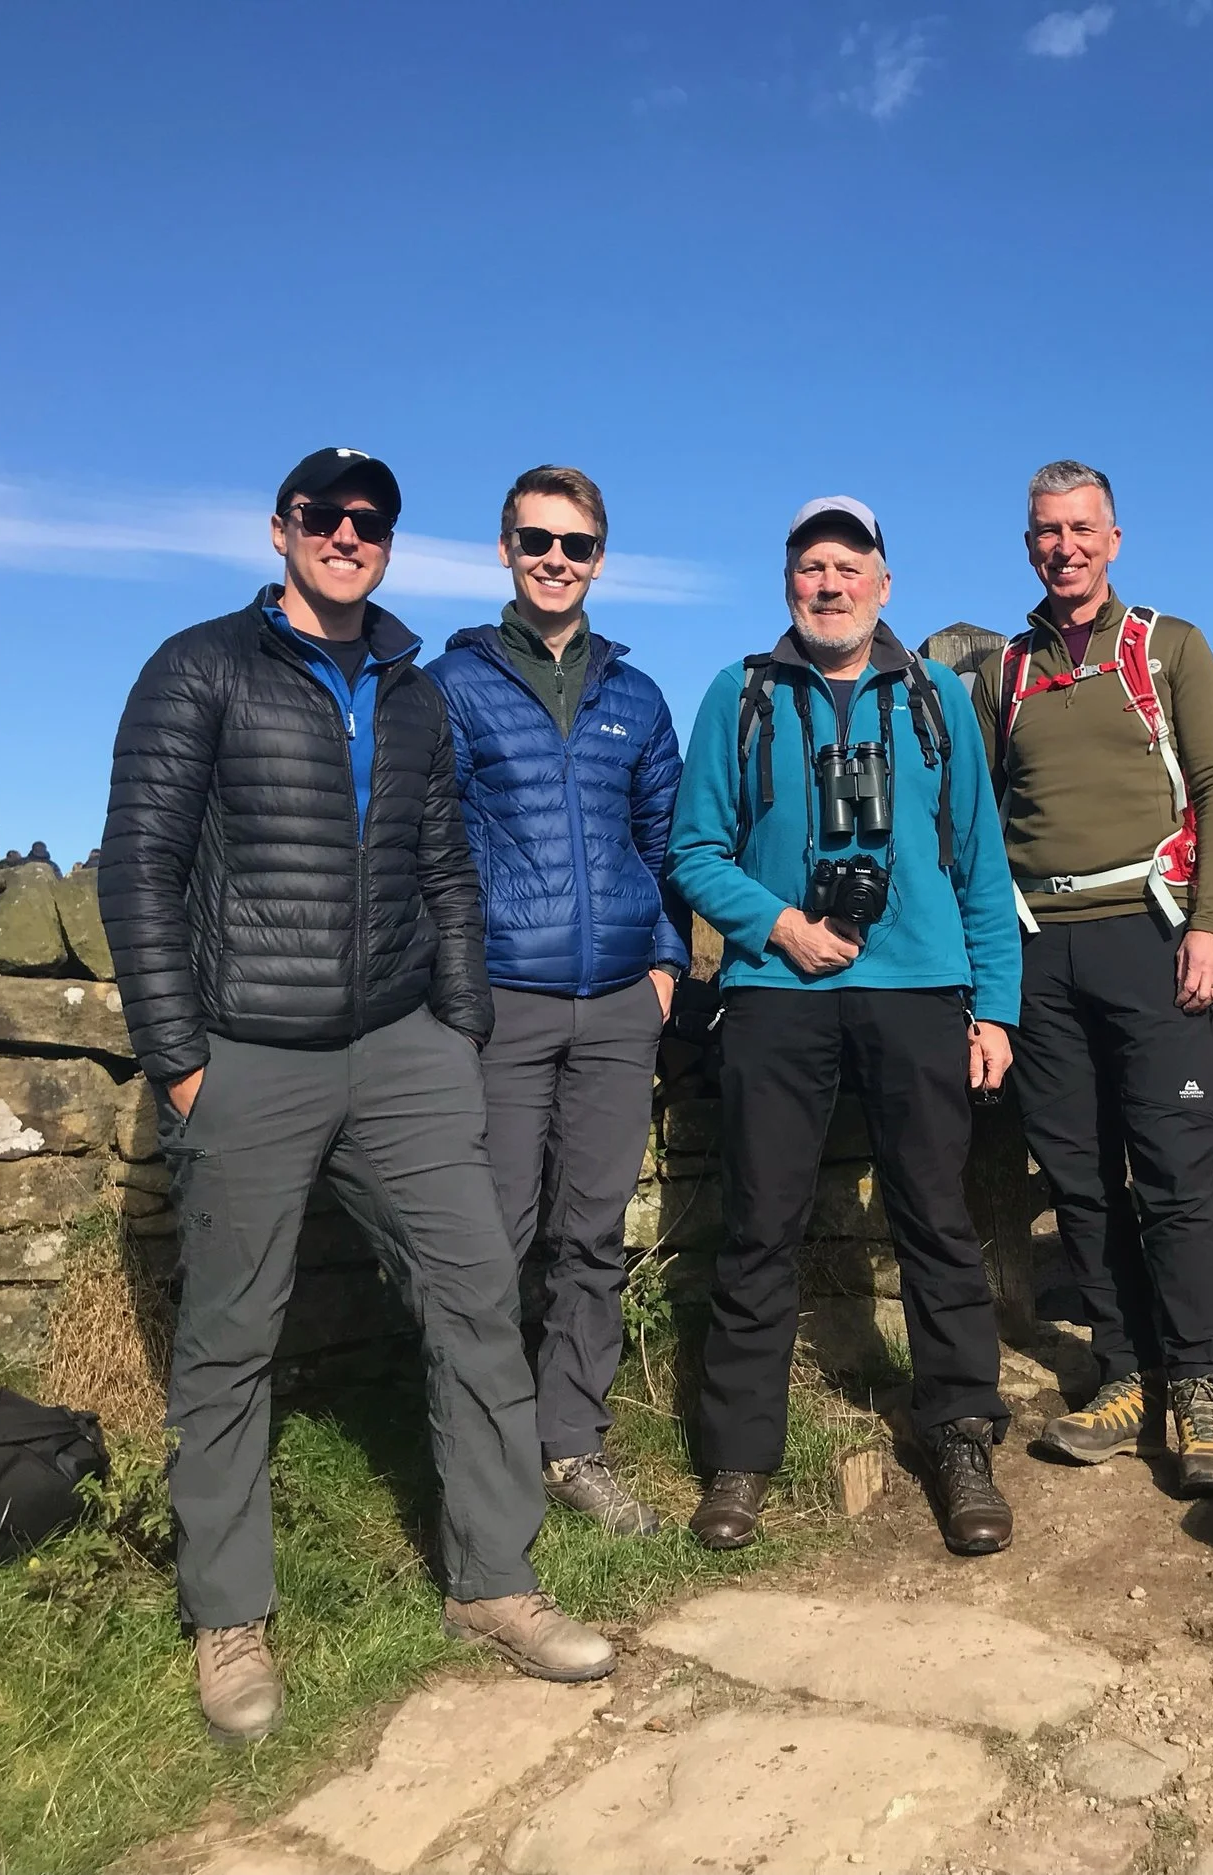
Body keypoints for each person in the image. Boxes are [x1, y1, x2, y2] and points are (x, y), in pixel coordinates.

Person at [101, 447, 613, 1744]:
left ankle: (494, 1580)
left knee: (476, 1293)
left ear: (387, 539)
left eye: (368, 518)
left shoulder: (412, 688)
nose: (346, 533)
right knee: (230, 1339)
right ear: (279, 529)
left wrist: (461, 1026)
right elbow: (140, 875)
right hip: (246, 1050)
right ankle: (230, 1615)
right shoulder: (197, 667)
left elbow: (447, 868)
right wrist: (181, 1057)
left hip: (403, 1048)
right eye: (322, 515)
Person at [666, 496, 1022, 1556]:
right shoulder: (740, 696)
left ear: (883, 585)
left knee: (937, 1224)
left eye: (848, 566)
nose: (829, 584)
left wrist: (994, 1004)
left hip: (918, 989)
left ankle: (959, 1437)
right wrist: (777, 923)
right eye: (810, 566)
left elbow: (980, 862)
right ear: (790, 584)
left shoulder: (934, 701)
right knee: (760, 1226)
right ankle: (741, 1459)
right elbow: (693, 851)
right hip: (779, 992)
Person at [970, 460, 1213, 1495]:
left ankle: (1205, 1383)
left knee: (1175, 1174)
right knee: (1081, 1180)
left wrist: (1212, 928)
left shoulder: (1169, 647)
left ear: (1114, 538)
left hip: (1154, 932)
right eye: (1046, 531)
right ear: (1029, 543)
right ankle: (1124, 1370)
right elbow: (985, 818)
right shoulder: (999, 672)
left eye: (1082, 529)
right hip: (1044, 946)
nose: (1064, 547)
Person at [426, 465, 686, 1540]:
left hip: (620, 1004)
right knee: (493, 1235)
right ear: (503, 548)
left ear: (598, 559)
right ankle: (479, 1458)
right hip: (505, 1004)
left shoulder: (634, 695)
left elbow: (670, 846)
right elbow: (423, 846)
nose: (554, 560)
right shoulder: (452, 683)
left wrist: (666, 966)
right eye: (536, 540)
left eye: (575, 545)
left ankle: (571, 1443)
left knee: (590, 1239)